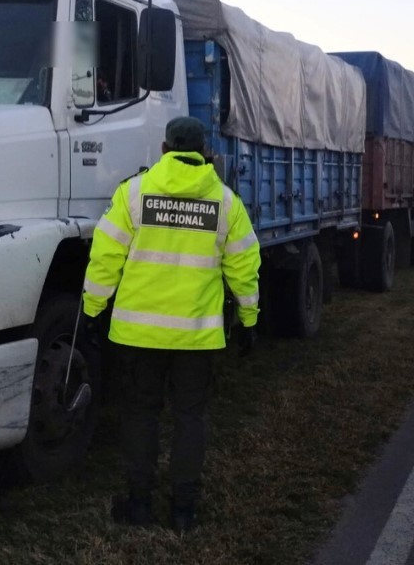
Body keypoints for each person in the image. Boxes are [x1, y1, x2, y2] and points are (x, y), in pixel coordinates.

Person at [81, 116, 261, 534]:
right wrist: (249, 320)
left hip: (137, 334)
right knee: (190, 418)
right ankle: (184, 510)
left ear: (163, 150)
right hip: (197, 339)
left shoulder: (133, 194)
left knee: (140, 415)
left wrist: (92, 310)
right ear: (205, 154)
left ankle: (139, 503)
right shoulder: (226, 203)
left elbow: (104, 259)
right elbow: (244, 268)